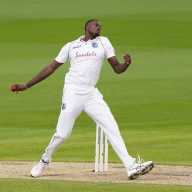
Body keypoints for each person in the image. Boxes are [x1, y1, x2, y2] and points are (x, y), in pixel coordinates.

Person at [10, 19, 154, 179]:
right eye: (96, 24)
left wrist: (126, 64)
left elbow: (117, 69)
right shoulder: (71, 46)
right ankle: (44, 160)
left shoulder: (103, 42)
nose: (99, 26)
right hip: (72, 92)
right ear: (87, 27)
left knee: (111, 126)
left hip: (91, 93)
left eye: (100, 25)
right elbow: (51, 67)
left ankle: (131, 165)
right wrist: (26, 85)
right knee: (63, 134)